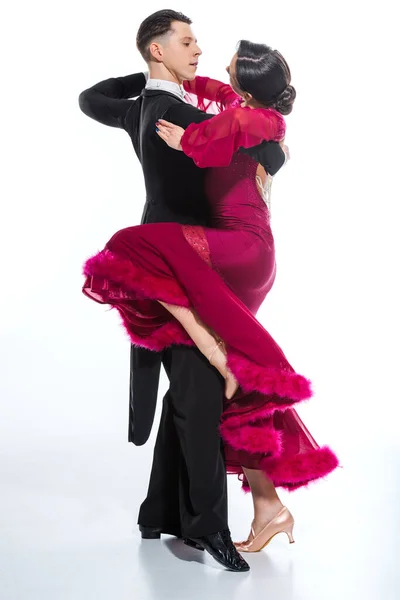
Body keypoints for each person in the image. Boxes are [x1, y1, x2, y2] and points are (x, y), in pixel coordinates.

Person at [81, 22, 339, 556]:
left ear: (245, 86)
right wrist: (147, 77)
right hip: (214, 255)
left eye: (222, 63)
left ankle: (208, 521)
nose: (204, 55)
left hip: (217, 254)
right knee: (208, 389)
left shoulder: (237, 122)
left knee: (134, 252)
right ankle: (237, 507)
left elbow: (228, 131)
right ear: (159, 49)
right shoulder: (200, 109)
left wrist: (188, 126)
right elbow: (90, 98)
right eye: (188, 42)